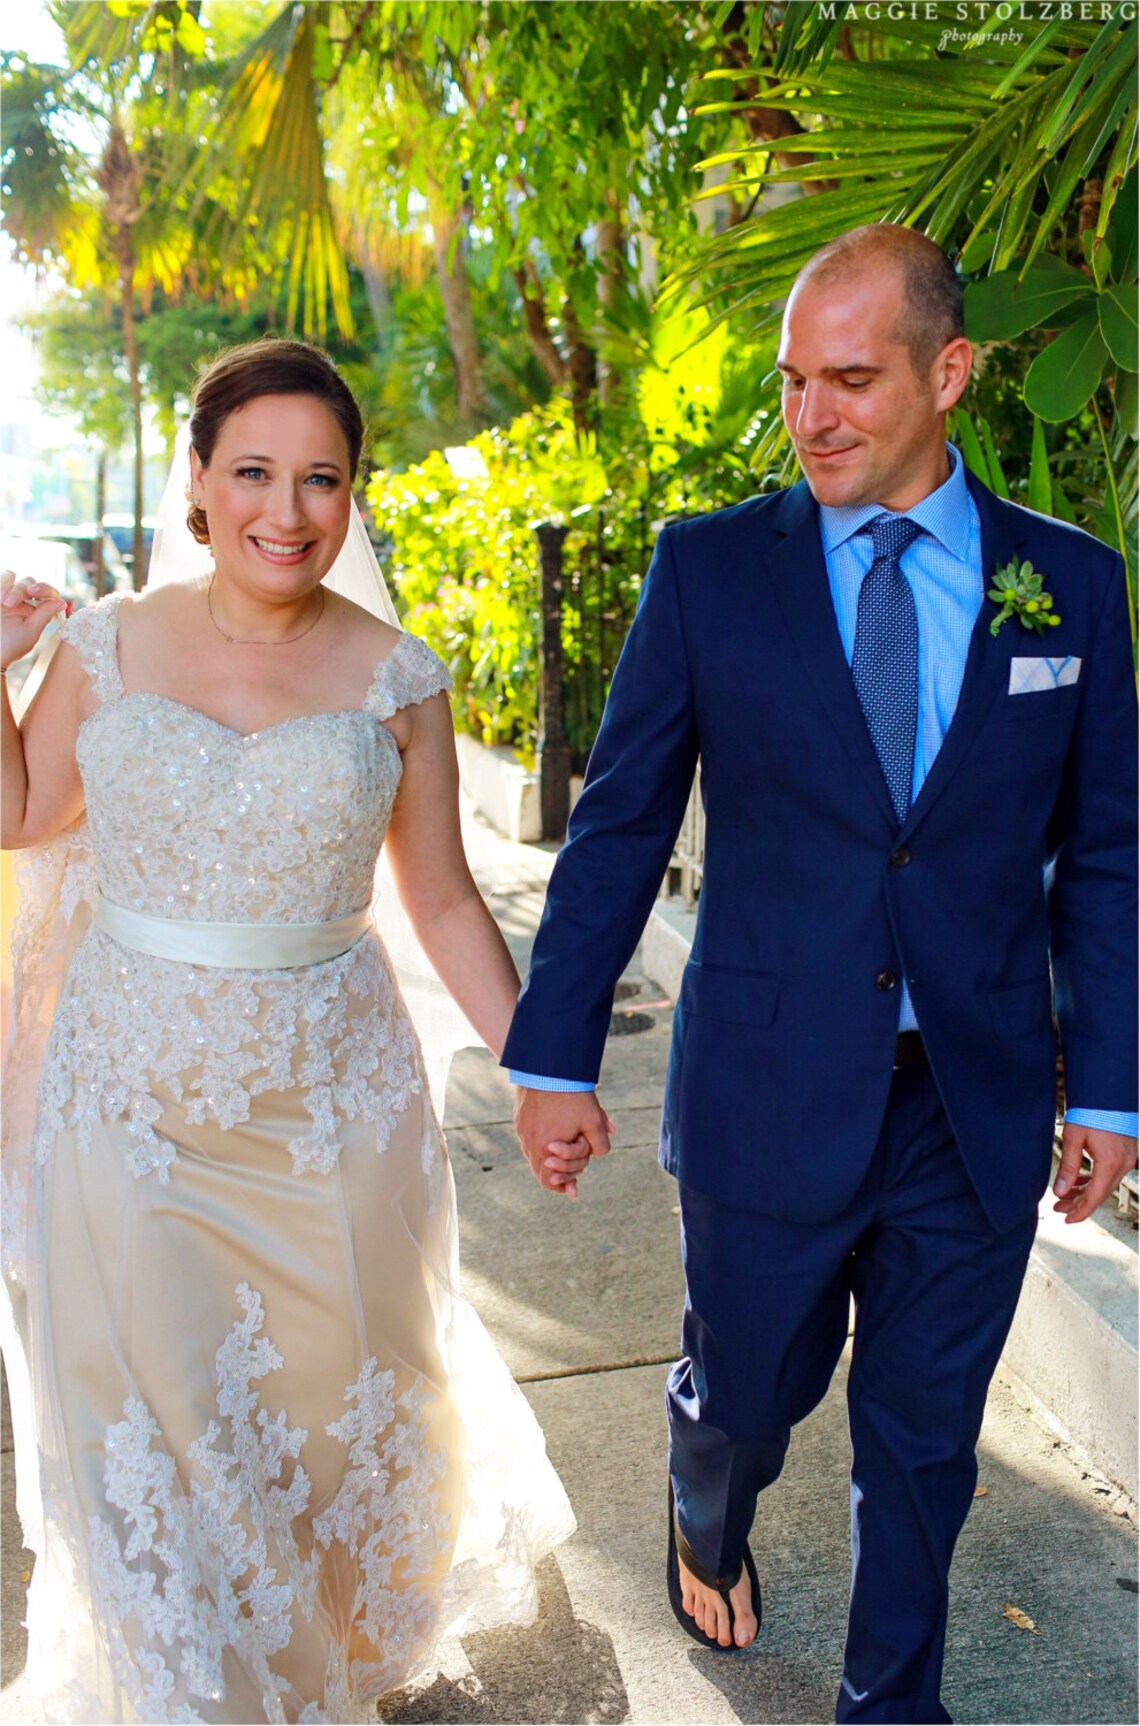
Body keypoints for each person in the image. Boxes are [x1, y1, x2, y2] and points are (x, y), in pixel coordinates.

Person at [502, 226, 1138, 1722]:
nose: (814, 413)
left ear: (951, 372)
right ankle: (702, 1493)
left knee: (921, 1445)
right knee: (751, 1389)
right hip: (766, 1084)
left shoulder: (1069, 587)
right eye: (797, 380)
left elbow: (1104, 853)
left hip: (970, 1103)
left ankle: (890, 1701)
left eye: (853, 377)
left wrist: (1107, 1081)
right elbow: (619, 823)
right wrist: (553, 1054)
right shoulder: (713, 570)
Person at [0, 337, 574, 1724]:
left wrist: (541, 1067)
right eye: (253, 469)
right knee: (159, 1433)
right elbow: (24, 815)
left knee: (314, 1442)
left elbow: (437, 898)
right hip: (123, 1122)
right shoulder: (106, 643)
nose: (288, 507)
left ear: (353, 494)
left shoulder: (398, 678)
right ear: (199, 480)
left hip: (328, 1125)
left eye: (322, 478)